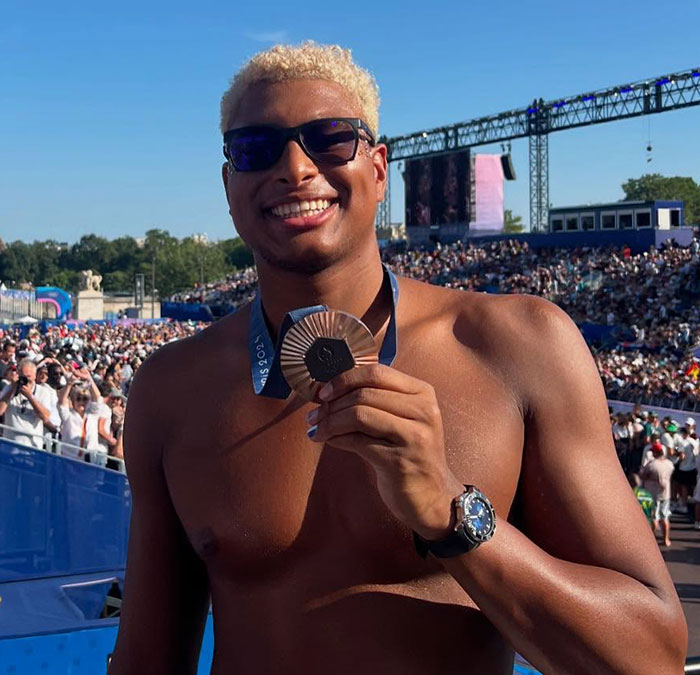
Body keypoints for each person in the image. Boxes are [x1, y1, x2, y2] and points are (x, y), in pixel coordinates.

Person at [109, 43, 686, 674]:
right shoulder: (171, 389)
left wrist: (450, 514)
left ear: (380, 169)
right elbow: (147, 659)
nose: (296, 168)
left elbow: (649, 658)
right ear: (229, 184)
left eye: (331, 140)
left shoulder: (518, 346)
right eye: (256, 148)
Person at [0, 358, 53, 449]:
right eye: (22, 377)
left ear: (35, 376)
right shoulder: (9, 388)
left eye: (28, 377)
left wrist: (30, 396)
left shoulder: (43, 392)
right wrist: (13, 389)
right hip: (10, 443)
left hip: (32, 445)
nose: (25, 381)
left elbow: (45, 416)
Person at [57, 368, 104, 464]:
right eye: (78, 399)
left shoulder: (92, 415)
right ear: (73, 401)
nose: (82, 402)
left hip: (90, 461)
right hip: (69, 460)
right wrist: (69, 383)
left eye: (85, 399)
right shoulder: (68, 416)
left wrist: (89, 379)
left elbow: (98, 399)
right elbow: (62, 402)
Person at [641, 444, 675, 547]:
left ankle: (651, 541)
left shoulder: (652, 465)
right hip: (665, 493)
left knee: (654, 517)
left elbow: (643, 475)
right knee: (664, 517)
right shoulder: (670, 464)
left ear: (655, 453)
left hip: (653, 493)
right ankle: (666, 539)